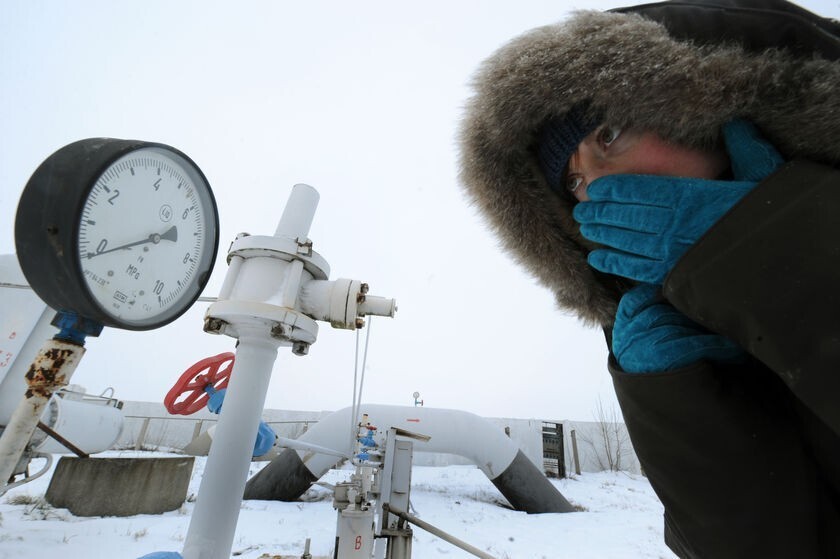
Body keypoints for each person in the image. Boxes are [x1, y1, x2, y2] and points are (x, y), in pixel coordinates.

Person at [457, 1, 840, 557]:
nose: (598, 186)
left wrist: (773, 247)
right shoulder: (670, 329)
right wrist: (683, 402)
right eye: (574, 181)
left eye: (609, 133)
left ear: (716, 106)